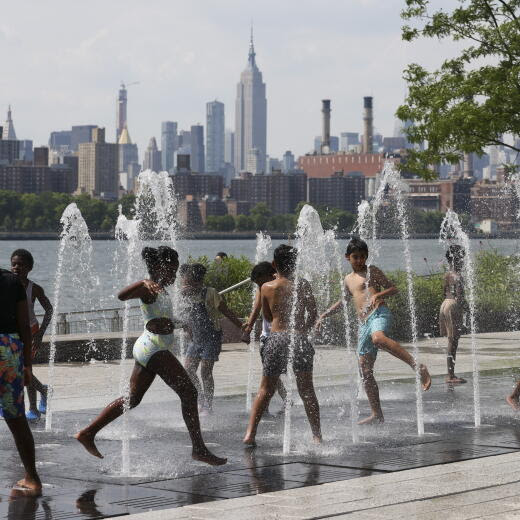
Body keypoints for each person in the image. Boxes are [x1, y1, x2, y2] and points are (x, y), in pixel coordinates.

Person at [75, 246, 226, 466]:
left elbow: (158, 317)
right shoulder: (148, 287)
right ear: (158, 267)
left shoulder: (162, 290)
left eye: (176, 271)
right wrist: (143, 283)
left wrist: (179, 324)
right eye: (171, 270)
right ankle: (199, 449)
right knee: (189, 392)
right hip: (153, 348)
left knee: (132, 399)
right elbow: (121, 295)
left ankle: (88, 433)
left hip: (149, 346)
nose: (174, 276)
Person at [316, 237, 431, 425]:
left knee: (378, 338)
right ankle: (377, 413)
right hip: (364, 324)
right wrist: (323, 315)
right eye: (356, 257)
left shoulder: (372, 271)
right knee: (365, 370)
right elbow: (344, 300)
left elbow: (393, 288)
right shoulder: (347, 279)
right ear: (348, 257)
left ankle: (418, 366)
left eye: (363, 256)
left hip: (379, 314)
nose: (360, 260)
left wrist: (378, 294)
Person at [243, 245, 321, 446]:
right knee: (307, 390)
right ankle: (317, 436)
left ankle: (250, 434)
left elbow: (268, 317)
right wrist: (301, 329)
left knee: (265, 389)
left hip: (277, 338)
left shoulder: (267, 287)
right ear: (296, 264)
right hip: (299, 339)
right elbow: (313, 314)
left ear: (274, 264)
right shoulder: (303, 285)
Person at [180, 263, 243, 414]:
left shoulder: (210, 293)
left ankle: (208, 404)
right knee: (188, 370)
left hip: (211, 337)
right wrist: (187, 331)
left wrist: (242, 327)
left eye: (187, 281)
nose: (184, 284)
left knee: (205, 371)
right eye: (184, 281)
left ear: (197, 281)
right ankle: (200, 399)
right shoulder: (184, 295)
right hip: (195, 339)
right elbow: (184, 317)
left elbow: (225, 311)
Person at [0, 267, 41, 492]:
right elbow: (25, 325)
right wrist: (27, 364)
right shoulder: (12, 280)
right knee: (16, 417)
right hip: (9, 349)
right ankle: (32, 478)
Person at [11, 249, 53, 421]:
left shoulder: (34, 289)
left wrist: (41, 333)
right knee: (21, 369)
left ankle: (35, 406)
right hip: (13, 332)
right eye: (13, 264)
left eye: (20, 265)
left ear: (29, 268)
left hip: (30, 332)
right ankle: (41, 395)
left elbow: (49, 309)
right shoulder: (7, 284)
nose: (16, 267)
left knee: (24, 369)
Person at [242, 261, 288, 414]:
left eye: (260, 282)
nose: (259, 287)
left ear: (271, 275)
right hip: (268, 337)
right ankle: (281, 401)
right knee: (270, 374)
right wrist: (249, 326)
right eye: (257, 285)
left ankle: (269, 404)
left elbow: (257, 309)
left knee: (270, 374)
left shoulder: (280, 285)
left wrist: (249, 327)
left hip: (276, 337)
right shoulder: (265, 287)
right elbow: (256, 308)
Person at [440, 245, 467, 384]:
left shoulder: (447, 275)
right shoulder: (458, 276)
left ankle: (450, 374)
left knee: (451, 340)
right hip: (453, 305)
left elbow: (444, 292)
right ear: (458, 260)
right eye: (462, 259)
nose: (463, 262)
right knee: (453, 341)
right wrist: (464, 309)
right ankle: (451, 376)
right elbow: (460, 296)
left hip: (445, 304)